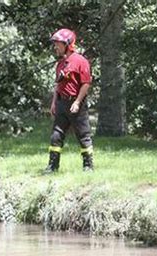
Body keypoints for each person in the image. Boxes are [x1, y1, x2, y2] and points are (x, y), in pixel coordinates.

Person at [45, 28, 94, 173]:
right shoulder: (60, 64)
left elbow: (86, 83)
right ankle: (52, 166)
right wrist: (54, 103)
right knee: (56, 135)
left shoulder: (80, 61)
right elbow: (57, 85)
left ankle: (88, 166)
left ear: (67, 44)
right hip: (61, 103)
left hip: (75, 104)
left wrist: (77, 102)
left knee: (83, 135)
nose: (55, 47)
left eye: (58, 44)